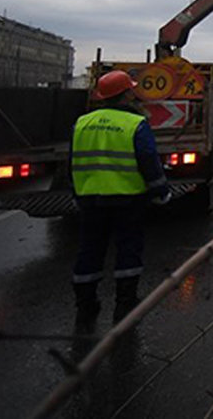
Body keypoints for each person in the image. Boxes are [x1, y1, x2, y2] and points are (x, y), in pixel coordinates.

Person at [70, 70, 169, 331]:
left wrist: (76, 194)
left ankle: (85, 303)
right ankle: (124, 304)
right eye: (131, 90)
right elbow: (148, 160)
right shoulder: (134, 123)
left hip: (90, 198)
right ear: (126, 93)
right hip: (127, 198)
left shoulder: (82, 123)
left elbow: (72, 162)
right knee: (128, 248)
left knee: (89, 249)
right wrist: (160, 191)